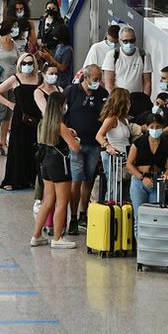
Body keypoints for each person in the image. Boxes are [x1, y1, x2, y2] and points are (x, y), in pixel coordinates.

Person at [31, 90, 81, 249]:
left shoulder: (45, 122)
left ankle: (36, 235)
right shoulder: (60, 125)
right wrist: (74, 138)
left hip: (46, 163)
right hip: (60, 165)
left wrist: (67, 132)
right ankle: (58, 237)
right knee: (61, 202)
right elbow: (75, 147)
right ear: (61, 106)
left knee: (47, 201)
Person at [64, 64, 109, 230]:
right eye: (95, 79)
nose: (98, 82)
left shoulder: (102, 94)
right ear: (86, 77)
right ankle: (73, 217)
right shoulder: (71, 91)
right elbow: (62, 114)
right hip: (75, 144)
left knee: (88, 180)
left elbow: (106, 116)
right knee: (76, 180)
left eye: (100, 79)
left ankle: (84, 213)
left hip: (94, 144)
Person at [0, 51, 42, 191]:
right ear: (20, 64)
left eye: (30, 63)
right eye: (24, 63)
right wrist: (9, 104)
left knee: (34, 149)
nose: (27, 66)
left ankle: (31, 179)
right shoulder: (15, 79)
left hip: (37, 118)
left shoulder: (39, 79)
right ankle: (13, 180)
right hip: (20, 119)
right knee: (18, 148)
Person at [0, 10, 25, 159]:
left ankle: (3, 143)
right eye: (13, 26)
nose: (16, 29)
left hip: (12, 83)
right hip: (1, 83)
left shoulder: (13, 43)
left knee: (8, 115)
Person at [126, 111, 168, 205]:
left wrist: (165, 175)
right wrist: (141, 177)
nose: (155, 130)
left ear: (163, 127)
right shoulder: (139, 142)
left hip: (157, 180)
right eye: (152, 127)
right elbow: (129, 164)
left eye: (158, 127)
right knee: (139, 213)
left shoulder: (167, 145)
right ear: (147, 127)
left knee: (155, 213)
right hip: (139, 180)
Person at [102, 25, 152, 114]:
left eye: (132, 41)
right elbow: (109, 84)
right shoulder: (112, 55)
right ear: (119, 41)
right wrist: (115, 101)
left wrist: (145, 101)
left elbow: (147, 82)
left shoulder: (143, 55)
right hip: (118, 101)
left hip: (137, 101)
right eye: (125, 41)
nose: (129, 44)